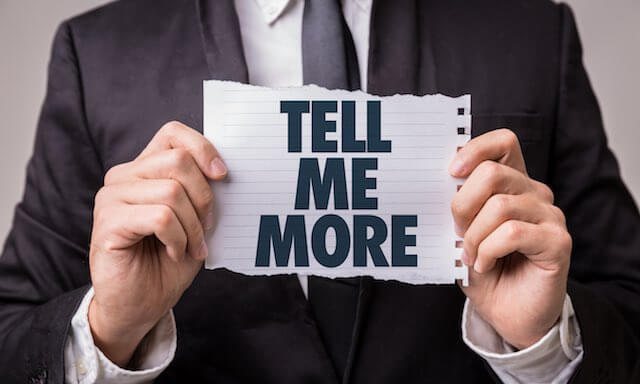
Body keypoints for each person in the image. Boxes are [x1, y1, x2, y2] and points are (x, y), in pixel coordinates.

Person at [0, 0, 638, 383]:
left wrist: (546, 339)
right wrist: (110, 329)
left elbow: (628, 306)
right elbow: (14, 335)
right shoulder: (100, 51)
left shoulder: (530, 33)